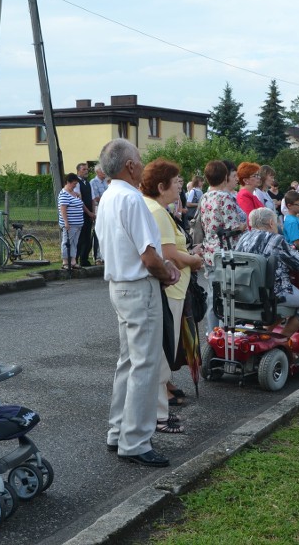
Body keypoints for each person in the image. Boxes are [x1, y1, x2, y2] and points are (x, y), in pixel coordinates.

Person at [95, 139, 179, 468]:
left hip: (118, 285)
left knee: (127, 362)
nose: (142, 165)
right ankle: (136, 440)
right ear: (130, 166)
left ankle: (118, 431)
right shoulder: (132, 199)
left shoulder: (107, 198)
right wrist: (167, 272)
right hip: (139, 286)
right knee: (144, 364)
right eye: (139, 160)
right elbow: (149, 256)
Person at [140, 159, 204, 435]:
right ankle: (159, 414)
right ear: (162, 185)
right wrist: (195, 260)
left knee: (162, 350)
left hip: (172, 288)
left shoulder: (156, 208)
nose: (180, 186)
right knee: (164, 351)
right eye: (176, 181)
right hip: (173, 289)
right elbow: (169, 255)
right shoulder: (156, 211)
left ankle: (158, 411)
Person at [234, 208, 299, 337]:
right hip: (273, 292)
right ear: (270, 222)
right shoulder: (276, 239)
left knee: (286, 307)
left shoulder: (244, 237)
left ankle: (265, 335)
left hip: (246, 291)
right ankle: (283, 339)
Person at [198, 159, 246, 333]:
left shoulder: (205, 196)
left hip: (210, 250)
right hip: (225, 252)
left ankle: (212, 333)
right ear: (225, 176)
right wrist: (243, 225)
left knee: (213, 294)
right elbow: (233, 226)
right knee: (226, 296)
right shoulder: (225, 197)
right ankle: (224, 334)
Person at [58, 173, 84, 269]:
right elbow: (63, 209)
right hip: (70, 224)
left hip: (78, 223)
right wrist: (66, 223)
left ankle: (73, 260)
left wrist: (79, 196)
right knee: (67, 242)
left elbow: (80, 204)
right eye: (74, 183)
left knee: (74, 243)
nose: (75, 186)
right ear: (68, 182)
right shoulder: (64, 194)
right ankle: (65, 262)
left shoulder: (74, 194)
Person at [75, 163, 96, 267]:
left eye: (87, 169)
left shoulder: (88, 183)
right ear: (78, 171)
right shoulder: (77, 183)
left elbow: (92, 199)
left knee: (87, 238)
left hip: (89, 215)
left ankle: (84, 259)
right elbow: (80, 200)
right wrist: (88, 212)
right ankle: (76, 258)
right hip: (81, 214)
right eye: (84, 169)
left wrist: (93, 213)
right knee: (81, 237)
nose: (86, 171)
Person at [90, 165, 110, 265]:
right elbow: (95, 198)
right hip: (99, 209)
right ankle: (97, 257)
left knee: (107, 232)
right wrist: (108, 198)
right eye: (102, 170)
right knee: (98, 232)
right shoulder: (93, 182)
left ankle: (105, 256)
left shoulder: (107, 181)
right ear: (97, 172)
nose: (104, 172)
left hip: (108, 209)